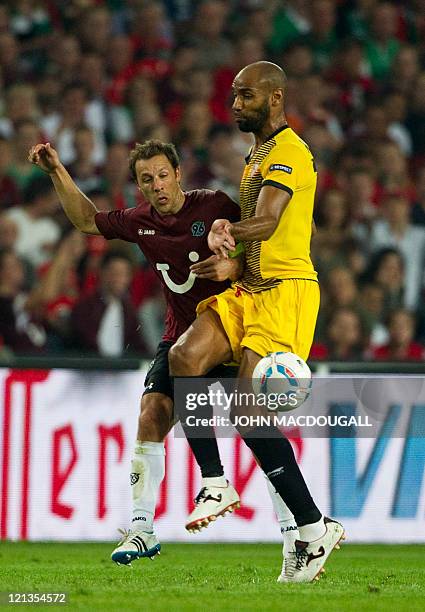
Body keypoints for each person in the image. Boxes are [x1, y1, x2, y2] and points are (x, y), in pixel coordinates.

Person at [28, 139, 295, 568]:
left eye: (163, 175)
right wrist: (57, 170)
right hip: (181, 338)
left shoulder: (214, 205)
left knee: (258, 429)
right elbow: (84, 219)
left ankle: (293, 533)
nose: (157, 186)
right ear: (139, 187)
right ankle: (140, 529)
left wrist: (235, 266)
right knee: (151, 413)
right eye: (146, 180)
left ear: (179, 175)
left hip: (232, 332)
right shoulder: (139, 222)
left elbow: (262, 251)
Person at [168, 61, 345, 583]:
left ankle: (312, 527)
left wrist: (226, 227)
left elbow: (268, 221)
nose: (235, 104)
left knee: (246, 409)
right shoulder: (258, 153)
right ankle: (217, 481)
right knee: (183, 356)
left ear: (274, 98)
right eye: (233, 96)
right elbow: (261, 237)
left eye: (245, 96)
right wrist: (229, 262)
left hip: (286, 293)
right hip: (250, 288)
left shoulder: (290, 150)